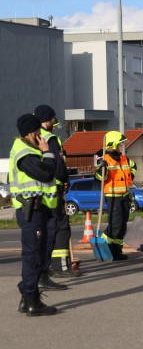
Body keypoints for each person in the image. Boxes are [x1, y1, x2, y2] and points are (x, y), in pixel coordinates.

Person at [9, 113, 60, 316]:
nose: (41, 136)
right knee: (33, 255)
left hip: (40, 209)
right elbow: (46, 174)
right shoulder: (25, 153)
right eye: (38, 132)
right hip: (32, 210)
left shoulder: (29, 150)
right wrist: (47, 153)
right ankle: (31, 299)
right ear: (30, 133)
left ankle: (26, 296)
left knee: (38, 254)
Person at [34, 104, 79, 280]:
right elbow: (57, 166)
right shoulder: (50, 139)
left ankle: (47, 267)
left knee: (45, 229)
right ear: (47, 120)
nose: (54, 123)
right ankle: (59, 266)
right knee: (61, 227)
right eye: (53, 120)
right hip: (54, 189)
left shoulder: (32, 138)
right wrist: (65, 179)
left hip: (39, 192)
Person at [95, 130, 137, 261]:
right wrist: (101, 168)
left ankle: (116, 251)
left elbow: (133, 167)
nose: (122, 147)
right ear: (112, 145)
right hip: (113, 196)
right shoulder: (105, 160)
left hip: (124, 196)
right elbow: (98, 178)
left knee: (122, 225)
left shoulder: (124, 159)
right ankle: (102, 244)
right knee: (115, 224)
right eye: (120, 144)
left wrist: (130, 177)